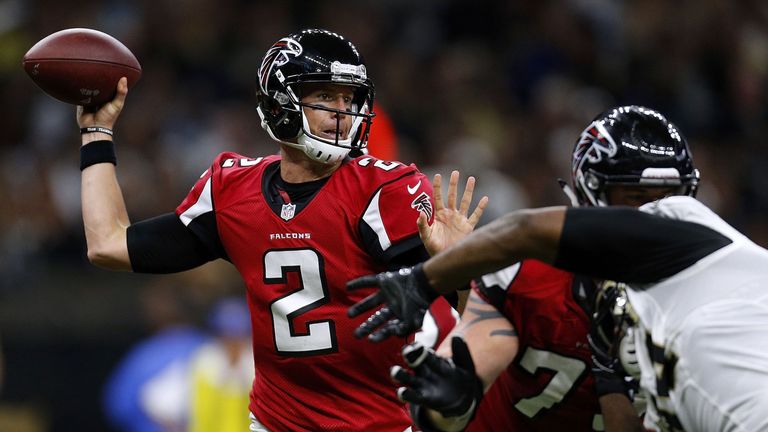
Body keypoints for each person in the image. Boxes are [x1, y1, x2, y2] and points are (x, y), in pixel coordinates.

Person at [77, 28, 487, 431]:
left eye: (349, 98)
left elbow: (483, 314)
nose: (341, 112)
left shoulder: (384, 190)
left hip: (377, 424)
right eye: (325, 95)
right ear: (280, 101)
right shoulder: (232, 189)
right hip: (275, 423)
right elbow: (109, 246)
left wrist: (461, 269)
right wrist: (97, 133)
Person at [347, 119, 768, 430]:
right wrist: (449, 403)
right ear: (584, 198)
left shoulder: (699, 289)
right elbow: (464, 375)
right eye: (632, 198)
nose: (648, 217)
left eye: (665, 201)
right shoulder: (528, 276)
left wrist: (611, 375)